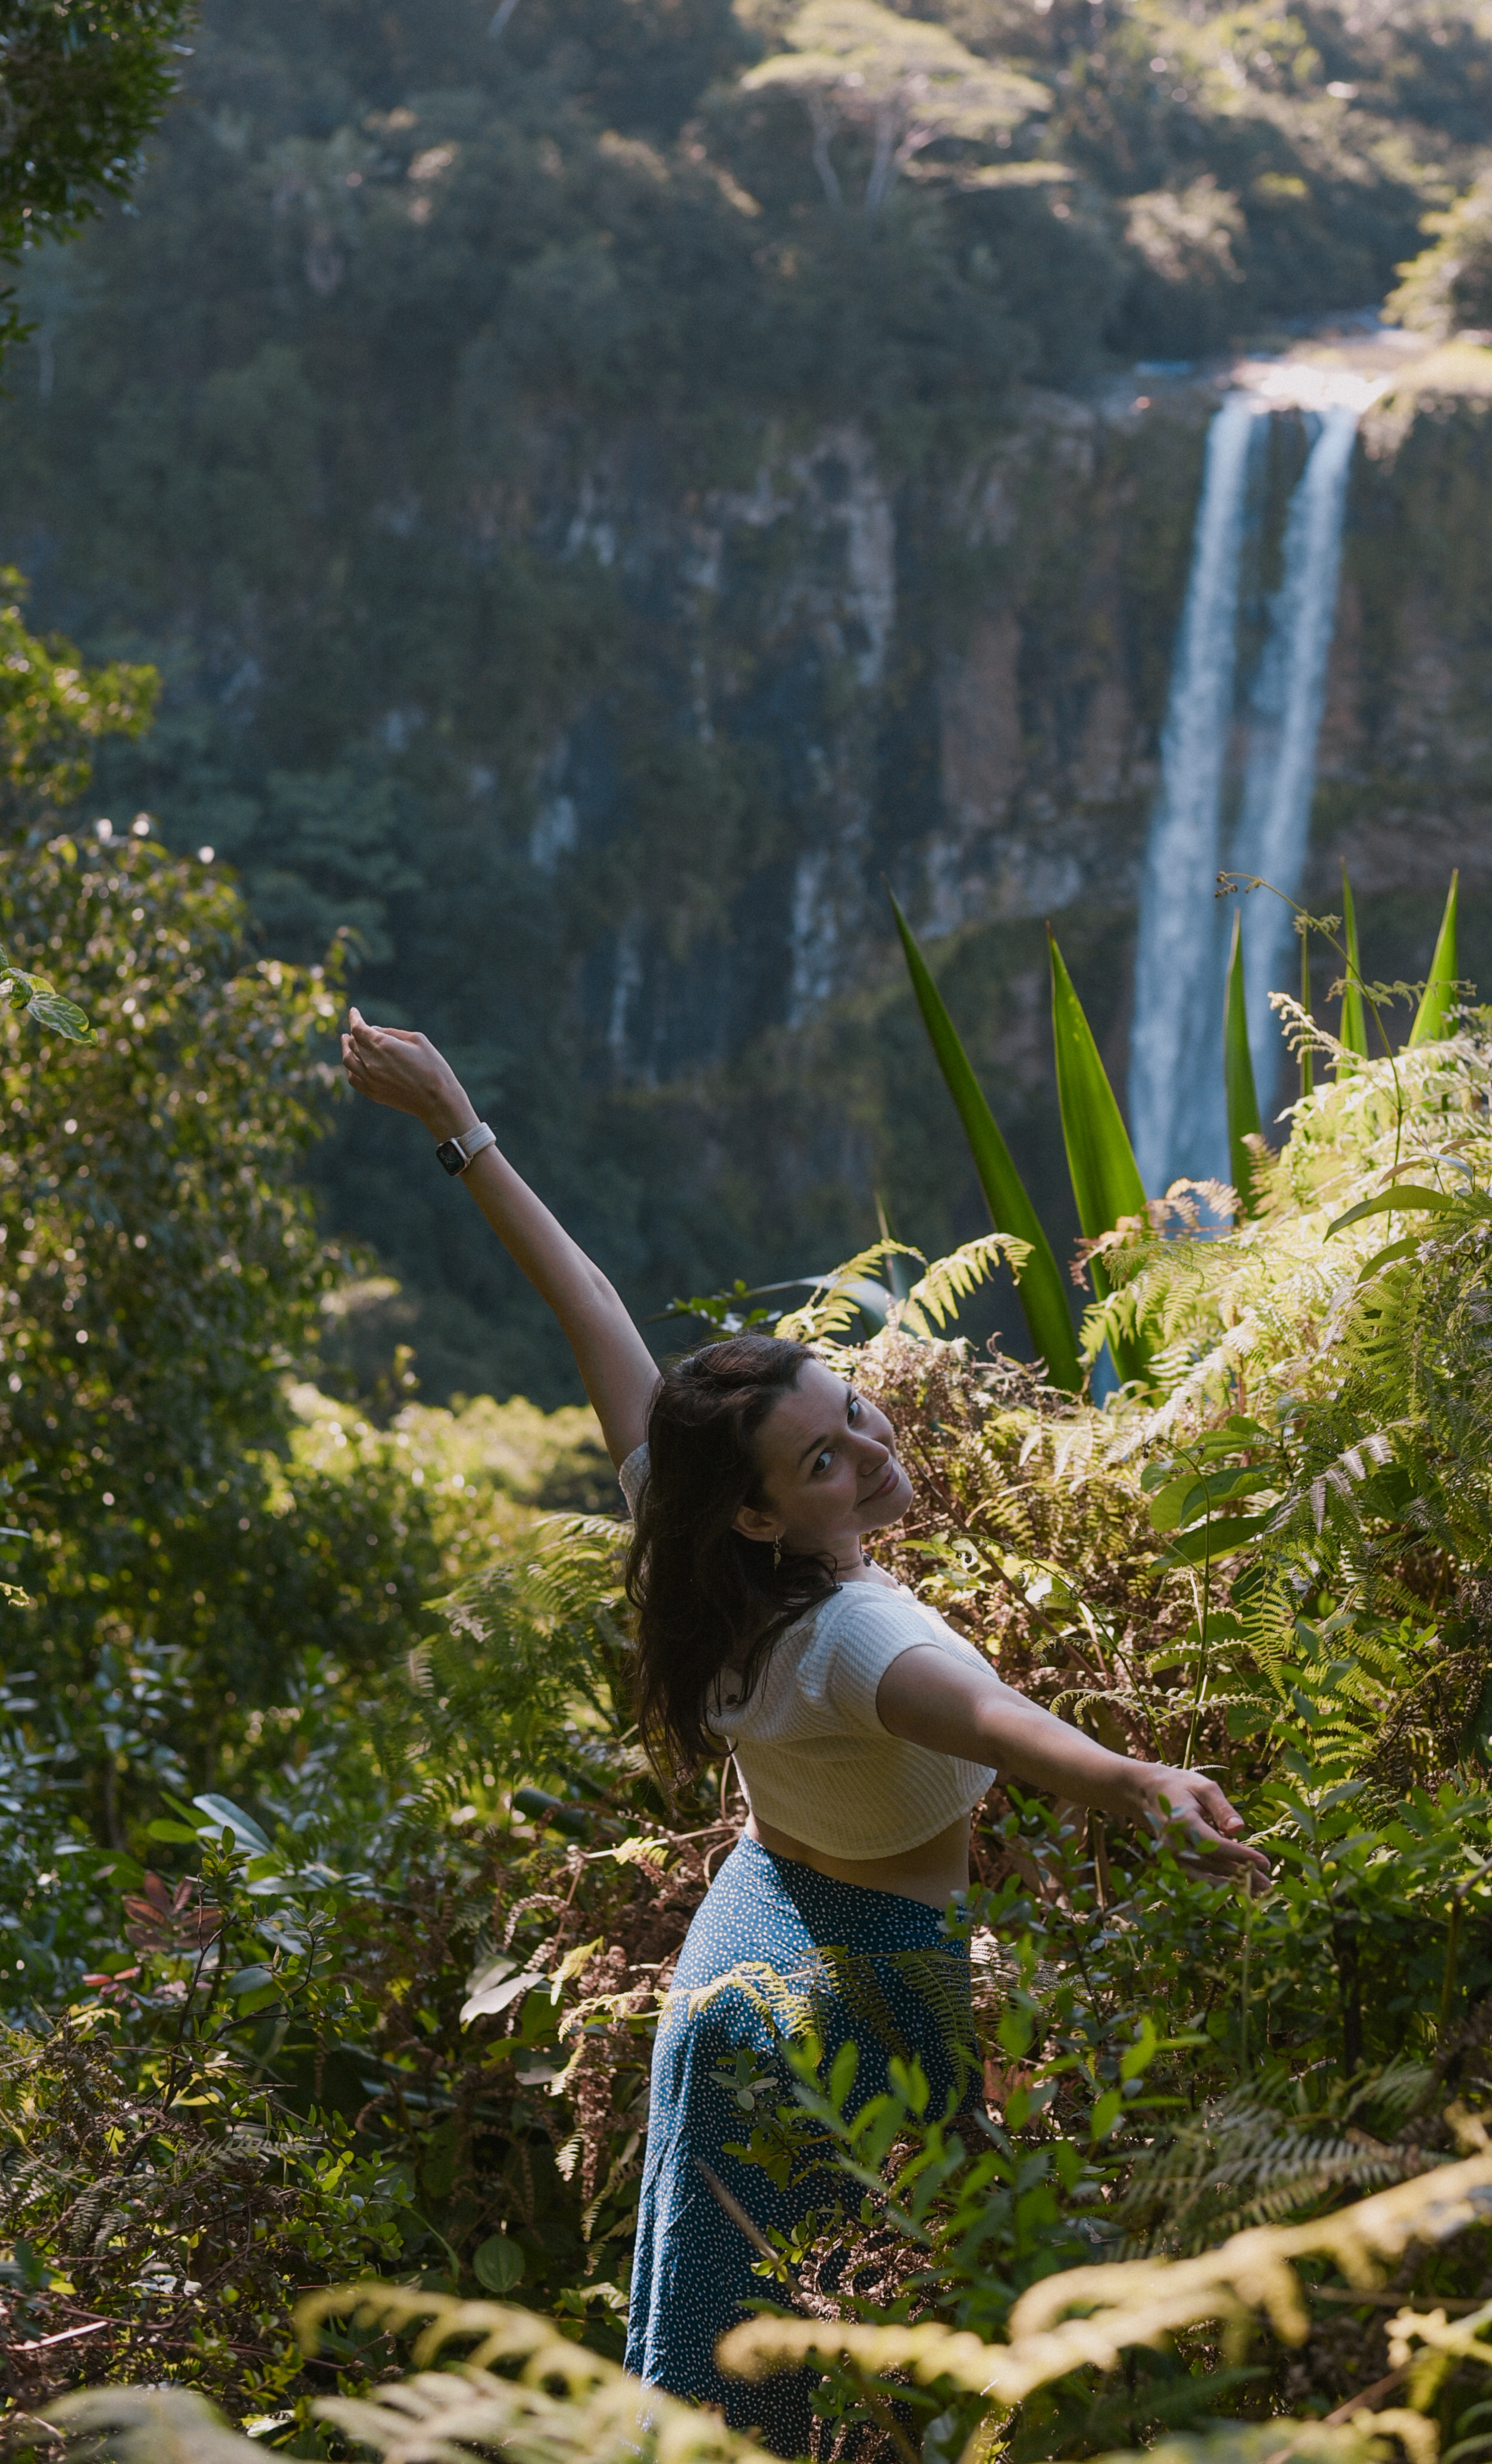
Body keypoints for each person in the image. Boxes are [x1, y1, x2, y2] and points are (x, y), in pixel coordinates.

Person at [340, 1007, 1269, 2450]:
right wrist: (1139, 1778)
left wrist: (459, 1127)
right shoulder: (854, 1640)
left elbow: (590, 1304)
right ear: (765, 1514)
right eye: (828, 1459)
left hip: (750, 1924)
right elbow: (1002, 1723)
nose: (874, 1451)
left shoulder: (695, 1542)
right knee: (862, 2350)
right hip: (853, 1992)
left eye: (853, 1411)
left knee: (732, 2325)